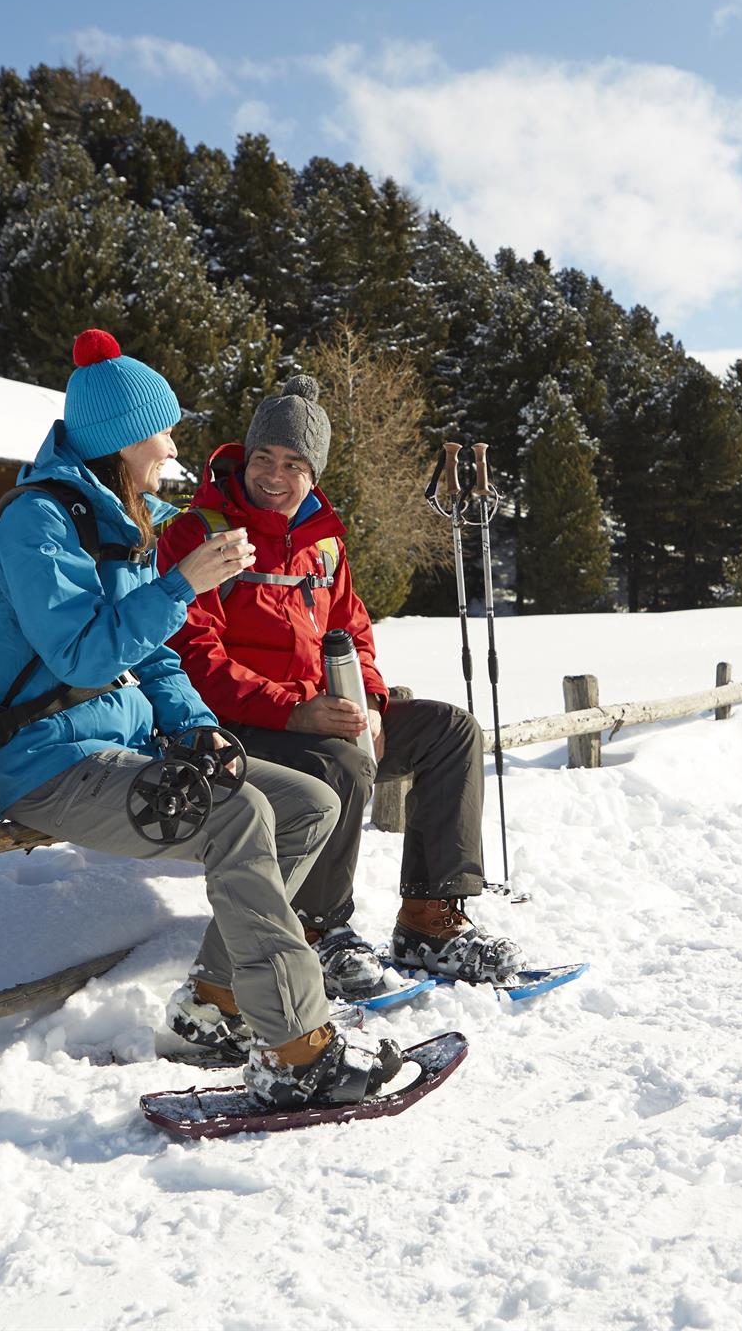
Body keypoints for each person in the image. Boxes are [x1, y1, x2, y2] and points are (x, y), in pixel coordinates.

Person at [0, 328, 400, 1108]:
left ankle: (215, 1004)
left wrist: (200, 728)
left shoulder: (120, 518)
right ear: (126, 439)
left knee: (311, 803)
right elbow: (85, 659)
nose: (172, 444)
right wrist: (182, 584)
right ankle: (297, 1045)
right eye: (162, 430)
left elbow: (156, 656)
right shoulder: (40, 527)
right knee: (235, 816)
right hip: (53, 765)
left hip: (124, 747)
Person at [156, 375, 525, 997]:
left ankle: (429, 920)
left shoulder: (323, 544)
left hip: (322, 714)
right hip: (236, 729)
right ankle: (317, 929)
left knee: (450, 730)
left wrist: (373, 703)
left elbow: (353, 630)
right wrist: (297, 712)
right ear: (246, 457)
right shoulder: (199, 534)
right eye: (265, 458)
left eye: (294, 463)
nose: (275, 476)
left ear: (314, 472)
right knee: (341, 761)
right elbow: (194, 658)